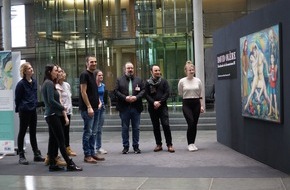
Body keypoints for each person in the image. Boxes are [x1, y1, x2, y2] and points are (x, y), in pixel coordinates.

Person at [41, 64, 82, 171]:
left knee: (54, 140)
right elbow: (50, 101)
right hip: (53, 115)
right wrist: (62, 107)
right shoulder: (49, 83)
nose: (57, 72)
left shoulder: (49, 83)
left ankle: (52, 164)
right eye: (55, 71)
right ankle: (69, 164)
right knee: (61, 140)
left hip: (52, 114)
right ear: (50, 72)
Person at [15, 62, 45, 165]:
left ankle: (36, 154)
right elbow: (17, 99)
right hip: (24, 111)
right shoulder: (20, 84)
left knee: (33, 132)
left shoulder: (34, 82)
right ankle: (21, 155)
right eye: (29, 68)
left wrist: (35, 104)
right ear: (24, 71)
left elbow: (34, 95)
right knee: (22, 132)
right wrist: (20, 109)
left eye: (31, 67)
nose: (31, 69)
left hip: (33, 110)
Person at [114, 62, 145, 154]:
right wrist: (125, 98)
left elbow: (143, 91)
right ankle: (125, 147)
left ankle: (136, 147)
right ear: (125, 69)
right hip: (124, 108)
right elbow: (115, 91)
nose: (130, 70)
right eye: (128, 68)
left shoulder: (139, 80)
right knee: (125, 128)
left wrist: (136, 97)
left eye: (132, 68)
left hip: (136, 107)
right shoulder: (119, 80)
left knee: (136, 128)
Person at [79, 55, 105, 163]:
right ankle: (87, 155)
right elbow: (83, 92)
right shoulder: (84, 74)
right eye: (91, 62)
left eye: (95, 61)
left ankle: (92, 153)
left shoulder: (93, 74)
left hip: (96, 108)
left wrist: (98, 102)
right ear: (87, 63)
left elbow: (94, 91)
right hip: (88, 109)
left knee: (94, 132)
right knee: (88, 132)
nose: (94, 63)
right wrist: (89, 107)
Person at [145, 65, 175, 153]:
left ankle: (169, 145)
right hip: (152, 107)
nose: (158, 72)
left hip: (163, 107)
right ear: (151, 72)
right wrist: (153, 102)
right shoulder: (147, 83)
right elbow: (146, 94)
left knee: (166, 125)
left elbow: (167, 93)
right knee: (156, 126)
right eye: (155, 70)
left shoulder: (164, 81)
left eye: (158, 70)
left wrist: (160, 102)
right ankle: (159, 144)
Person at [178, 61, 204, 152]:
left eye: (193, 69)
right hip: (187, 103)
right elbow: (181, 93)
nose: (192, 71)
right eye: (190, 70)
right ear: (186, 71)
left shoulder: (198, 81)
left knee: (195, 124)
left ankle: (193, 143)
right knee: (191, 122)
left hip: (196, 102)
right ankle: (189, 144)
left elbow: (200, 93)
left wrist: (201, 105)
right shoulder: (182, 81)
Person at [56, 67, 77, 156]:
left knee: (66, 132)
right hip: (60, 113)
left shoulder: (67, 85)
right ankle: (60, 151)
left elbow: (68, 98)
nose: (63, 74)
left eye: (63, 72)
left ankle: (67, 148)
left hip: (68, 112)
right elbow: (60, 101)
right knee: (60, 133)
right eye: (60, 72)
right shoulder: (56, 86)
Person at [95, 70, 108, 154]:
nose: (101, 77)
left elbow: (105, 96)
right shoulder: (93, 86)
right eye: (99, 75)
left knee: (99, 128)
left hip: (102, 108)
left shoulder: (103, 85)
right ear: (95, 76)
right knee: (94, 128)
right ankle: (92, 147)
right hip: (95, 108)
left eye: (102, 75)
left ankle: (98, 147)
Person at [268, 53, 278, 119]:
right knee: (271, 98)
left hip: (274, 84)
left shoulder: (276, 66)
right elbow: (269, 76)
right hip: (270, 84)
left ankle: (276, 113)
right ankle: (270, 111)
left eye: (272, 58)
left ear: (274, 59)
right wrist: (269, 76)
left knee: (275, 99)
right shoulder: (269, 67)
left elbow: (276, 77)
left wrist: (274, 79)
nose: (272, 59)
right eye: (271, 58)